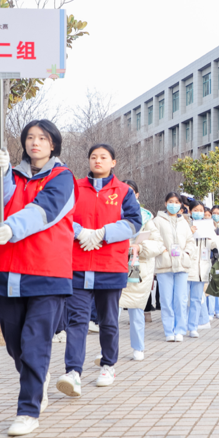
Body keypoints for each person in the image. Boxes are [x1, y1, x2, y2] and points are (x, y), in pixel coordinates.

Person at [0, 120, 75, 435]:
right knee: (14, 341)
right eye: (30, 137)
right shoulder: (14, 174)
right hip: (8, 269)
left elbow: (45, 209)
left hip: (46, 269)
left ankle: (28, 410)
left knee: (35, 340)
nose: (35, 142)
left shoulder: (63, 178)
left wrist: (13, 228)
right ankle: (38, 377)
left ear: (53, 144)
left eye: (43, 138)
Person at [57, 144, 141, 396]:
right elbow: (61, 216)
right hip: (78, 264)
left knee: (108, 320)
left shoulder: (124, 191)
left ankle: (108, 364)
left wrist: (104, 233)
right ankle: (73, 371)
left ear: (113, 162)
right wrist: (80, 232)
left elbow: (134, 223)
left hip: (109, 264)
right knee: (77, 320)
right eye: (93, 156)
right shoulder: (74, 186)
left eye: (103, 157)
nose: (98, 160)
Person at [118, 180, 163, 361]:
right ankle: (108, 348)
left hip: (137, 266)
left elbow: (158, 244)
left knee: (136, 307)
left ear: (136, 195)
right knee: (112, 310)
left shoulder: (146, 217)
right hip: (113, 265)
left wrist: (140, 247)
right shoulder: (110, 211)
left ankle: (138, 347)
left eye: (131, 191)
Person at [151, 192, 195, 342]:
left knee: (181, 299)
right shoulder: (157, 220)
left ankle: (180, 330)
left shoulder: (184, 221)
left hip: (181, 264)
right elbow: (154, 239)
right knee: (166, 299)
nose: (174, 204)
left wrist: (187, 253)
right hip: (165, 265)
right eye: (171, 201)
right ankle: (169, 330)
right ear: (165, 203)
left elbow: (190, 240)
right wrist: (163, 252)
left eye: (177, 202)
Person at [186, 200, 216, 337]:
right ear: (190, 211)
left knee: (197, 299)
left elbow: (213, 245)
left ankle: (193, 327)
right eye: (196, 210)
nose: (199, 213)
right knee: (182, 299)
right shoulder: (185, 224)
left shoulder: (208, 226)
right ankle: (180, 326)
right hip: (186, 267)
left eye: (201, 210)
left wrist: (213, 237)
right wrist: (189, 233)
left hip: (201, 269)